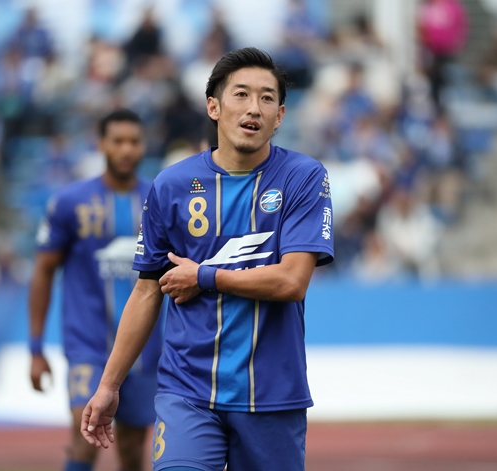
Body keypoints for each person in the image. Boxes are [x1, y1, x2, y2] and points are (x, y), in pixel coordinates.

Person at [81, 48, 335, 471]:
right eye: (241, 94)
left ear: (280, 116)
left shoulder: (304, 177)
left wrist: (204, 276)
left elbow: (292, 281)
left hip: (271, 394)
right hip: (187, 390)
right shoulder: (171, 185)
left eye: (267, 98)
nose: (254, 108)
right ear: (214, 107)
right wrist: (109, 385)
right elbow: (146, 291)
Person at [28, 109, 162, 471]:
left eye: (134, 142)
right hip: (87, 346)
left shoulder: (160, 200)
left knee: (132, 451)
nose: (126, 150)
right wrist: (36, 348)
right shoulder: (70, 202)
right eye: (118, 141)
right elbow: (43, 271)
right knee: (84, 433)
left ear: (143, 146)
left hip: (144, 349)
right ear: (101, 144)